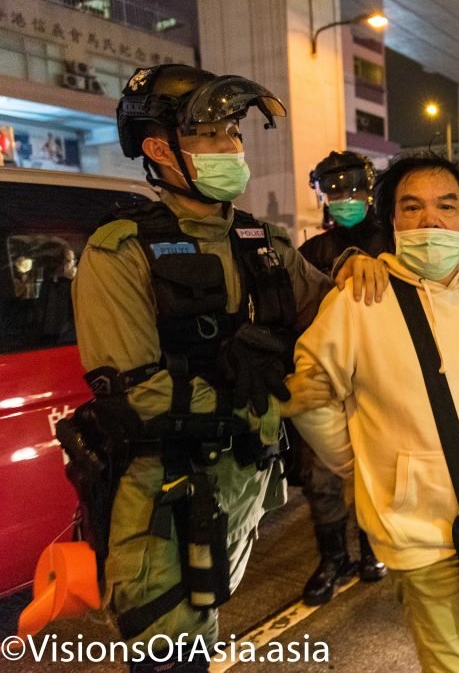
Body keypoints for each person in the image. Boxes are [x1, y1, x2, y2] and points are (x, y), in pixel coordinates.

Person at [72, 64, 334, 672]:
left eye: (233, 134)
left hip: (240, 495)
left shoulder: (262, 240)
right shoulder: (122, 250)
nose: (231, 149)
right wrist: (269, 392)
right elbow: (133, 397)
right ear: (161, 148)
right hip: (167, 508)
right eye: (211, 136)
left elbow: (334, 313)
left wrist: (362, 273)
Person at [292, 154, 459, 672]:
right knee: (454, 664)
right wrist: (358, 464)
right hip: (420, 532)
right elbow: (309, 389)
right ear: (393, 221)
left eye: (447, 206)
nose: (431, 221)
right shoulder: (361, 298)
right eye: (412, 207)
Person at [297, 151, 387, 603]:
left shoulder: (393, 241)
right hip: (329, 384)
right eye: (334, 191)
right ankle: (333, 558)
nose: (345, 199)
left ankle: (374, 548)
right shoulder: (311, 251)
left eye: (353, 189)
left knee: (375, 471)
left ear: (370, 189)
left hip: (381, 379)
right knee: (322, 480)